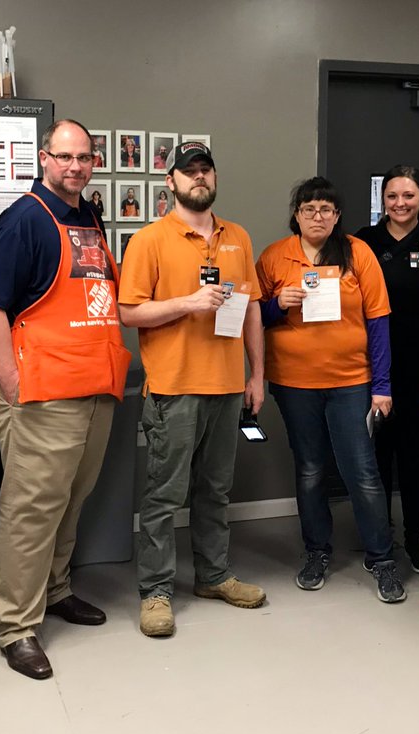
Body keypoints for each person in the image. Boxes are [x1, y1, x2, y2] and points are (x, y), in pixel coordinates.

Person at [0, 119, 130, 680]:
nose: (76, 167)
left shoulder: (89, 216)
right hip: (41, 393)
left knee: (72, 500)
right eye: (65, 157)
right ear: (45, 158)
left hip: (94, 386)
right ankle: (17, 626)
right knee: (31, 510)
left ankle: (57, 590)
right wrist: (11, 381)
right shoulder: (24, 220)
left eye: (85, 158)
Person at [118, 141, 266, 637]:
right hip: (174, 388)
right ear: (171, 182)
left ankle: (213, 575)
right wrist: (188, 302)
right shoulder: (149, 240)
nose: (198, 178)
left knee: (215, 490)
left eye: (206, 171)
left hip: (226, 386)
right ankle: (156, 590)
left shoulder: (237, 237)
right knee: (164, 495)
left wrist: (257, 374)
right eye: (189, 172)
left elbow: (250, 310)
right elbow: (128, 312)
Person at [256, 176, 405, 603]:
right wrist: (275, 305)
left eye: (326, 209)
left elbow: (378, 322)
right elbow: (252, 318)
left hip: (350, 383)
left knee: (362, 473)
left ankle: (380, 559)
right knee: (310, 471)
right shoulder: (274, 257)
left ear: (337, 216)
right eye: (309, 209)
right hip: (294, 383)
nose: (317, 216)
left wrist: (382, 385)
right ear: (296, 215)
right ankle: (316, 552)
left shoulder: (358, 254)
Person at [353, 165, 419, 573]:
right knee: (377, 453)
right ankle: (379, 534)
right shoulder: (363, 241)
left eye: (408, 195)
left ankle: (416, 537)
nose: (400, 204)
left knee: (414, 454)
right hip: (373, 367)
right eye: (392, 196)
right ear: (382, 199)